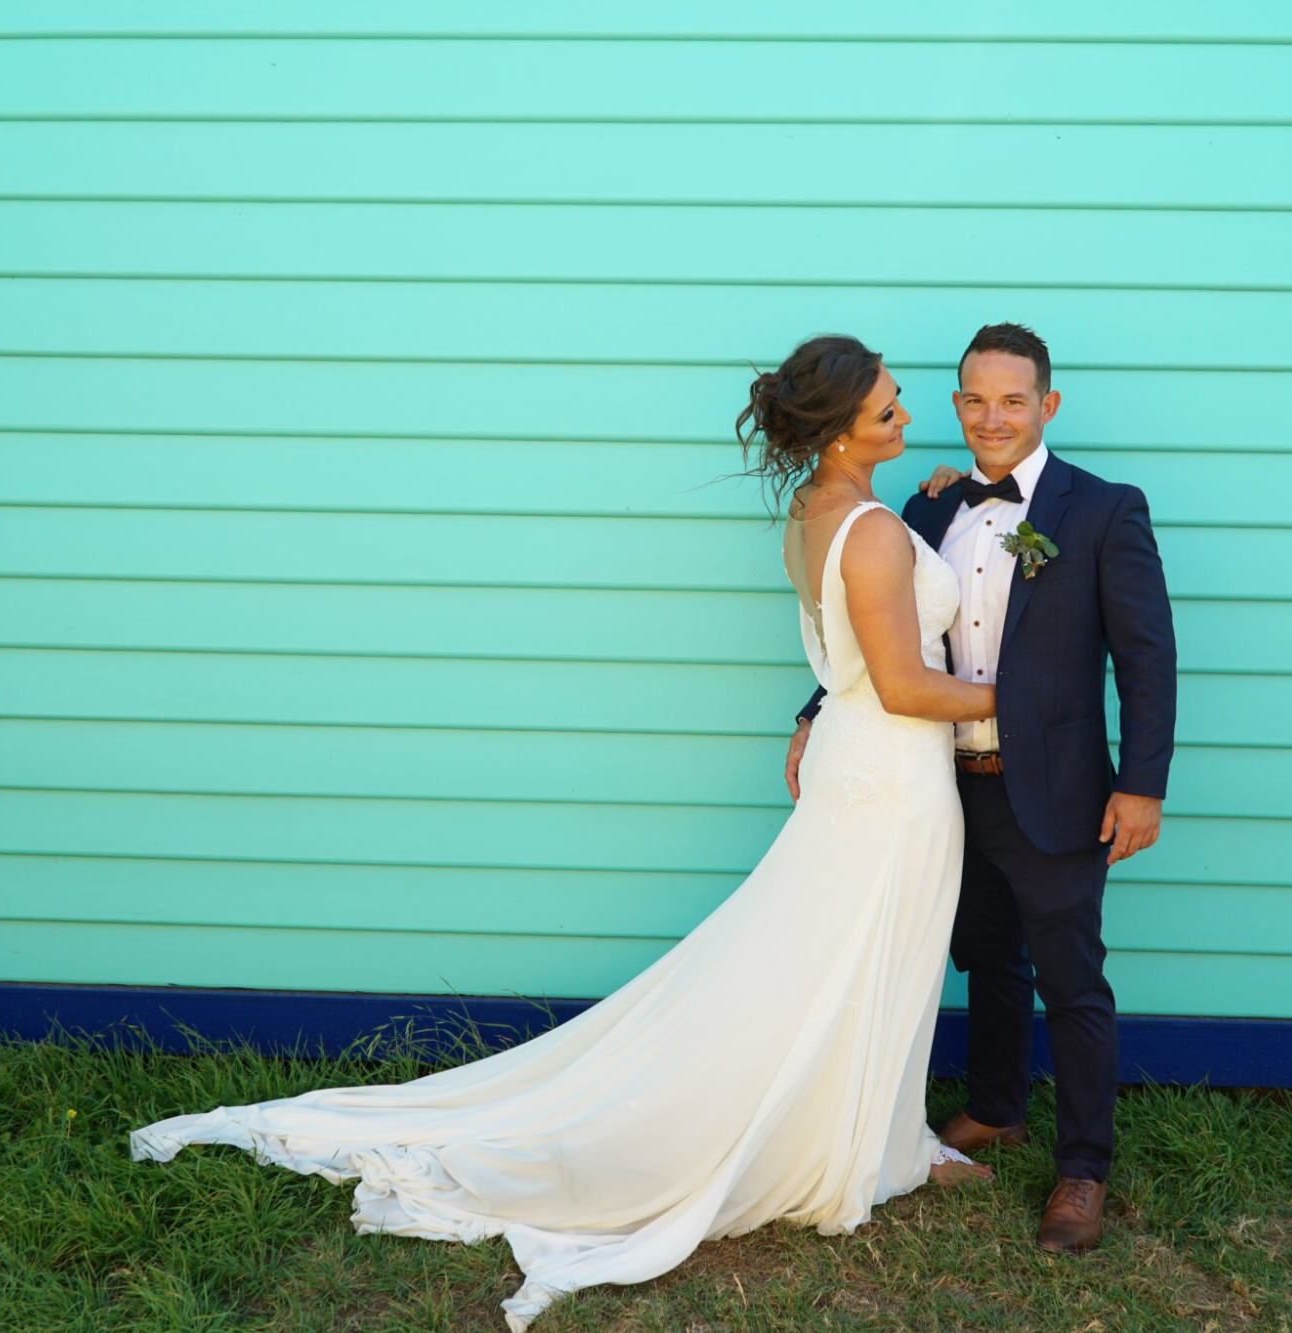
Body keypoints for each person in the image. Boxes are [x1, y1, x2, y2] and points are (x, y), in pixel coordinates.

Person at [129, 334, 996, 1331]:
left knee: (833, 953)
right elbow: (898, 680)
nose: (903, 412)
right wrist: (1019, 700)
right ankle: (852, 1142)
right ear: (841, 421)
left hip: (856, 755)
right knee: (862, 951)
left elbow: (856, 651)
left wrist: (920, 506)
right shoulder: (875, 530)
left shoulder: (816, 510)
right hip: (888, 772)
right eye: (887, 405)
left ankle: (882, 1132)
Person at [788, 322, 1178, 1253]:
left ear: (1046, 405)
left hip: (1059, 788)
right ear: (957, 405)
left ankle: (1083, 1166)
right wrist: (812, 708)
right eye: (974, 399)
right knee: (986, 957)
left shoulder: (1103, 510)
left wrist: (1143, 785)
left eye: (1013, 400)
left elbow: (1148, 658)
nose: (991, 417)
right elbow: (878, 632)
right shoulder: (927, 511)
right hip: (944, 785)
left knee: (1071, 976)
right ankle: (997, 1107)